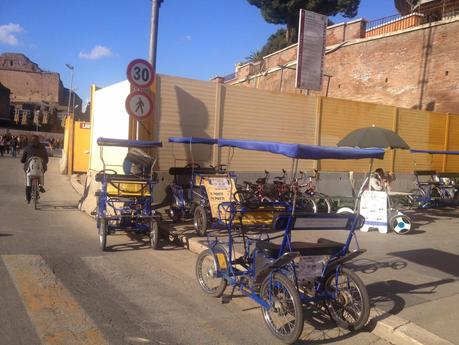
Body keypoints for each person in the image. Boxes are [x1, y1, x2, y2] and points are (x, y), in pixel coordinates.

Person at [20, 135, 49, 203]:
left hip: (29, 169)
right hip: (40, 169)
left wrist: (24, 161)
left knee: (28, 182)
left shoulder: (27, 147)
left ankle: (28, 198)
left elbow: (22, 160)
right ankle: (40, 185)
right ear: (38, 140)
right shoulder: (43, 148)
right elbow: (47, 160)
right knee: (41, 172)